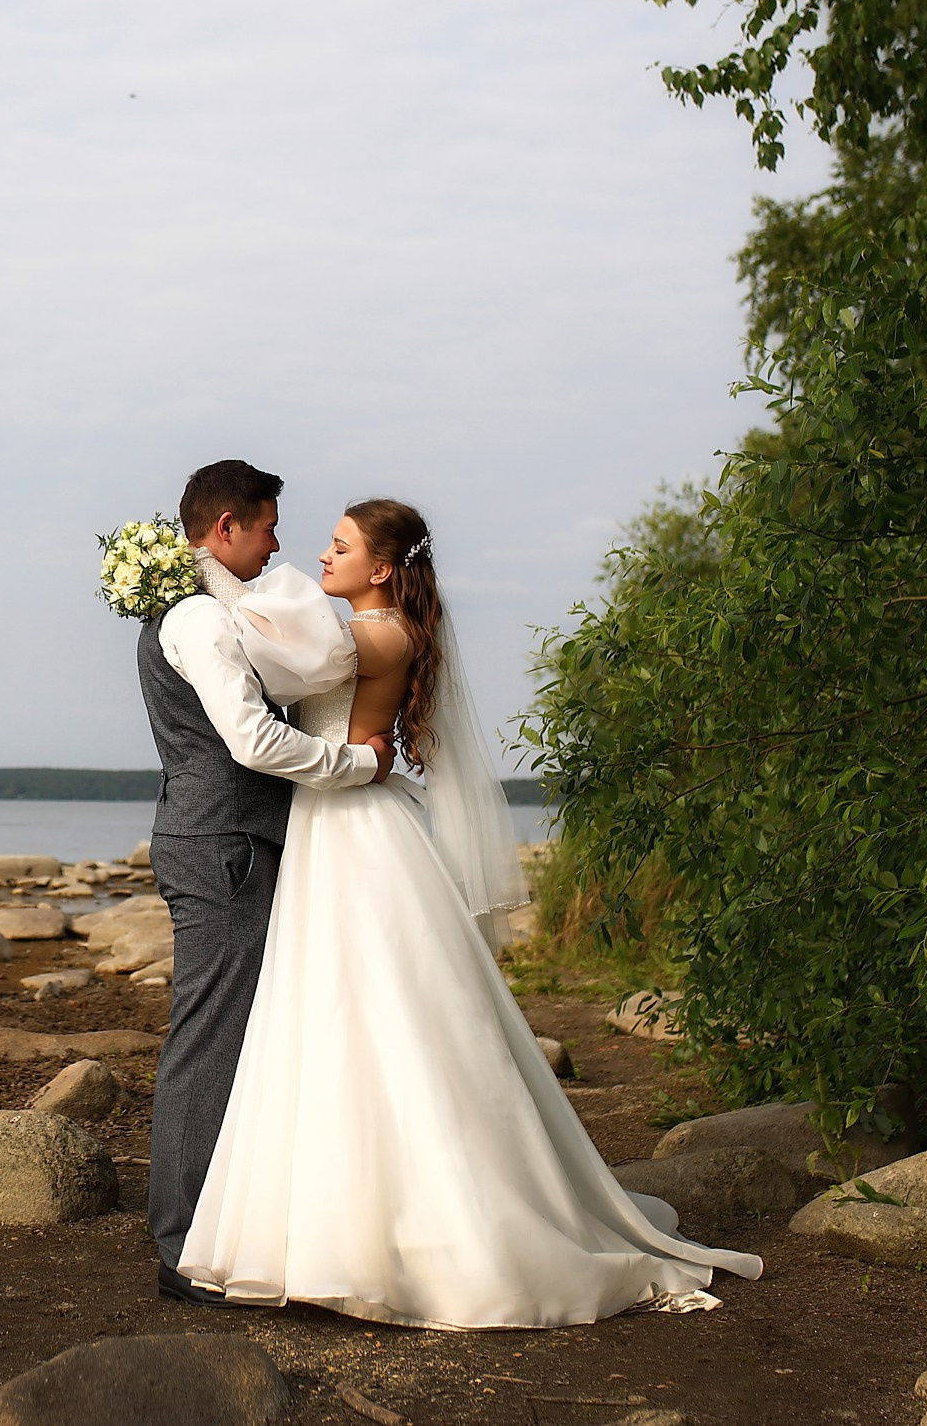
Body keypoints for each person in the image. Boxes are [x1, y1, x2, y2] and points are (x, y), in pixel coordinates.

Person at [172, 496, 763, 1326]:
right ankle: (349, 1224)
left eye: (340, 547)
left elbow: (261, 658)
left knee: (378, 1019)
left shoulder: (374, 635)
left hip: (354, 830)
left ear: (381, 569)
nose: (321, 557)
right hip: (335, 823)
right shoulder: (369, 631)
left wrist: (193, 585)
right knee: (341, 1018)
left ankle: (414, 1229)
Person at [135, 459, 394, 1305]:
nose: (280, 542)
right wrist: (352, 764)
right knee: (209, 1040)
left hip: (226, 838)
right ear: (225, 529)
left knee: (241, 1040)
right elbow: (251, 741)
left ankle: (225, 1225)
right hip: (223, 847)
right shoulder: (198, 621)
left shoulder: (215, 613)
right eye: (269, 525)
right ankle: (180, 1249)